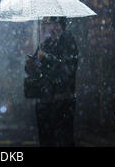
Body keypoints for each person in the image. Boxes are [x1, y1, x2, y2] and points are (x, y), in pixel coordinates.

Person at [24, 16, 79, 146]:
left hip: (62, 100)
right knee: (45, 139)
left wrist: (46, 58)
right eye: (44, 23)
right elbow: (35, 71)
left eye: (48, 23)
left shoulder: (68, 42)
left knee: (63, 139)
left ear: (58, 25)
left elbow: (67, 68)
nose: (45, 27)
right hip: (44, 100)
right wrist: (30, 65)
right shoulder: (45, 44)